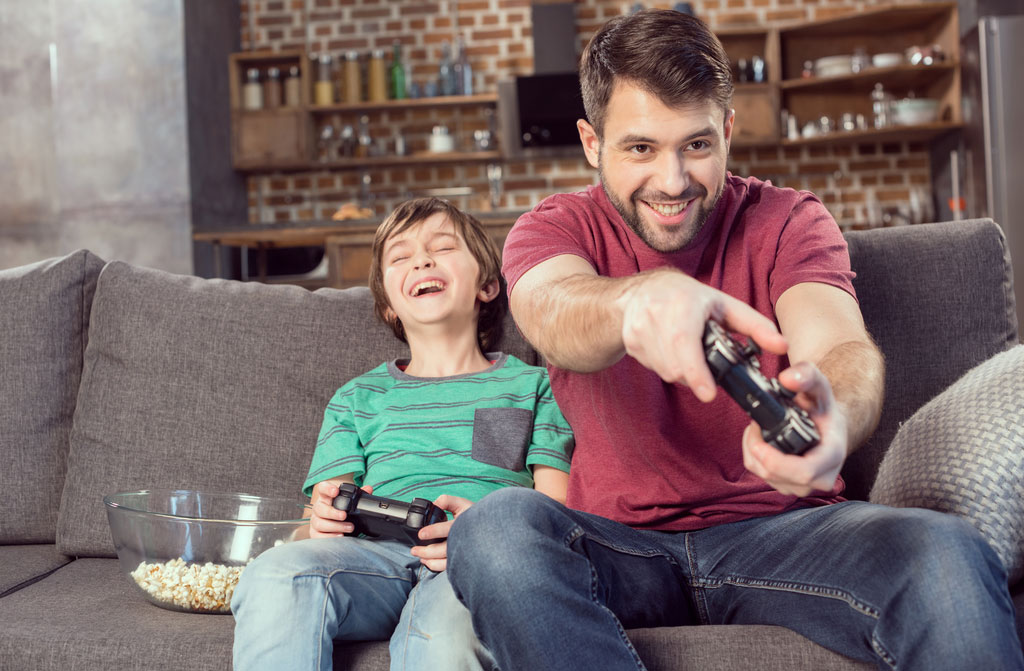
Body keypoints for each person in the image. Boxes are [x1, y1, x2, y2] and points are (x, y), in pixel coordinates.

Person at [446, 9, 1023, 671]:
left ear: (726, 129)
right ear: (590, 142)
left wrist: (834, 413)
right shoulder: (553, 229)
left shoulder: (788, 219)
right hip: (622, 548)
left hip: (784, 534)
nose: (672, 181)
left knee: (948, 554)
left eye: (696, 145)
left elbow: (840, 346)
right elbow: (551, 308)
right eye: (640, 148)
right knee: (492, 529)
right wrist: (634, 302)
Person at [230, 197, 574, 671]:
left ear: (489, 285)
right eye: (401, 256)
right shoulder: (357, 398)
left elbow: (556, 512)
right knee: (275, 574)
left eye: (442, 247)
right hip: (370, 562)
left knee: (442, 639)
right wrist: (318, 522)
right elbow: (316, 521)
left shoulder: (533, 386)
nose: (422, 260)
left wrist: (492, 538)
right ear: (389, 305)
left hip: (472, 567)